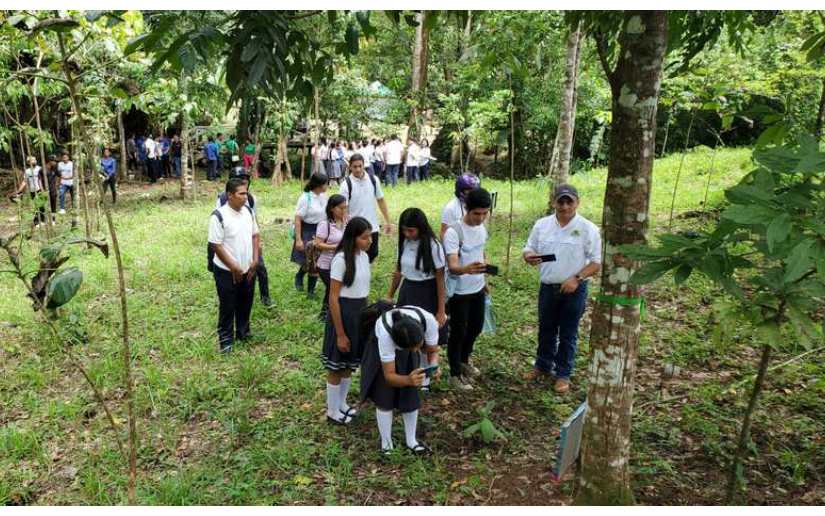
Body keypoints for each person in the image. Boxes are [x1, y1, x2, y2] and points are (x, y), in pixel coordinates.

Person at [523, 184, 602, 393]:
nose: (565, 206)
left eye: (569, 202)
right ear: (554, 202)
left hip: (575, 289)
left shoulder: (588, 229)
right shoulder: (542, 225)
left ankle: (563, 373)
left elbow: (596, 263)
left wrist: (577, 278)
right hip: (548, 287)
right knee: (546, 328)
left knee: (568, 332)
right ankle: (542, 365)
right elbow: (529, 248)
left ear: (577, 203)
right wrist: (529, 256)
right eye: (561, 201)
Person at [359, 303, 441, 454]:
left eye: (419, 345)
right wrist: (408, 380)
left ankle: (411, 440)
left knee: (410, 395)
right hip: (382, 354)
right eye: (412, 349)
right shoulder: (385, 334)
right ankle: (386, 444)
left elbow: (432, 350)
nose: (416, 351)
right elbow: (389, 376)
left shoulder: (428, 321)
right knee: (384, 395)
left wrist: (434, 365)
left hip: (407, 340)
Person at [385, 208, 448, 391]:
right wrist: (390, 295)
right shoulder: (403, 243)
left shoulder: (433, 246)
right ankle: (410, 373)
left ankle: (425, 379)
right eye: (404, 230)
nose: (407, 234)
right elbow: (398, 271)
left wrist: (441, 310)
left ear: (421, 227)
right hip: (408, 291)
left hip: (427, 292)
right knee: (408, 334)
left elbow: (440, 279)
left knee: (426, 338)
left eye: (411, 230)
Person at [321, 216, 373, 425]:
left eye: (370, 236)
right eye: (364, 237)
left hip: (359, 315)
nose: (369, 241)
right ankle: (332, 411)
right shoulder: (341, 260)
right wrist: (340, 333)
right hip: (343, 315)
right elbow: (333, 297)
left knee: (349, 365)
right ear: (353, 237)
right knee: (336, 366)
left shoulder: (364, 257)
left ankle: (342, 404)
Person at [443, 188, 492, 391]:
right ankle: (454, 374)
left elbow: (481, 253)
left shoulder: (482, 229)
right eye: (476, 213)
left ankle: (464, 360)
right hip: (459, 292)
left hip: (477, 288)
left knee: (476, 327)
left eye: (484, 213)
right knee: (458, 331)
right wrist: (466, 269)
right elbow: (452, 265)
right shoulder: (454, 232)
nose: (480, 218)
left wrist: (484, 277)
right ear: (466, 209)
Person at [208, 177, 261, 354]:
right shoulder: (218, 216)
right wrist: (234, 267)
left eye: (246, 193)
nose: (246, 197)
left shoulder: (248, 211)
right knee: (228, 305)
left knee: (246, 301)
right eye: (241, 194)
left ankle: (243, 332)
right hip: (226, 271)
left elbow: (255, 235)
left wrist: (255, 260)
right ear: (230, 195)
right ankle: (226, 340)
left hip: (248, 267)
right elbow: (216, 245)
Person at [216, 168, 273, 307]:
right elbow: (219, 222)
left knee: (260, 267)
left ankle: (265, 296)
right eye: (241, 179)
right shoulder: (222, 198)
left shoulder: (251, 199)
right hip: (231, 240)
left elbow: (254, 220)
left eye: (246, 179)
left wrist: (258, 241)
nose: (244, 182)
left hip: (249, 239)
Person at [338, 153, 393, 263]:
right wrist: (343, 227)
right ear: (350, 167)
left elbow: (381, 200)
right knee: (356, 257)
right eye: (355, 167)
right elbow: (343, 208)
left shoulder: (374, 180)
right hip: (356, 229)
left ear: (364, 165)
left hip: (372, 227)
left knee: (372, 254)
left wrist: (388, 221)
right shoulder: (346, 184)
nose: (358, 169)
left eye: (360, 166)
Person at [292, 172, 329, 297]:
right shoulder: (305, 198)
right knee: (307, 260)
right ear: (319, 185)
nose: (327, 186)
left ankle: (310, 290)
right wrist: (298, 239)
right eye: (325, 184)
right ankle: (300, 276)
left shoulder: (323, 196)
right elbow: (298, 218)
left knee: (316, 261)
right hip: (308, 230)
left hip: (320, 230)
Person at [315, 194, 349, 321]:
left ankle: (326, 313)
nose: (344, 210)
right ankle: (326, 314)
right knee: (333, 288)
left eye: (345, 207)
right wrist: (336, 247)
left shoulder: (347, 221)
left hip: (341, 263)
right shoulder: (325, 224)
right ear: (332, 209)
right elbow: (318, 244)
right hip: (325, 265)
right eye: (341, 208)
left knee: (333, 289)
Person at [441, 173, 481, 239]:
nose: (473, 194)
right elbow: (443, 232)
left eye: (475, 191)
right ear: (461, 190)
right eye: (469, 191)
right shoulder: (450, 208)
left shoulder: (479, 205)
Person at [13, 156, 47, 226]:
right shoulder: (27, 171)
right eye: (32, 160)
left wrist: (44, 190)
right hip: (32, 191)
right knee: (36, 206)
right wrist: (19, 191)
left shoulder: (40, 169)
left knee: (41, 206)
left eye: (35, 160)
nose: (34, 161)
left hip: (40, 190)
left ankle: (42, 221)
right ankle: (37, 221)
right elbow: (24, 182)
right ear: (28, 162)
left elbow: (45, 179)